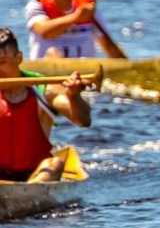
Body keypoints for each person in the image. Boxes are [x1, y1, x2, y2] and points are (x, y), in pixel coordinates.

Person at [0, 26, 93, 183]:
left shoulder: (43, 90)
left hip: (36, 175)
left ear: (19, 58)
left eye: (2, 62)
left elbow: (83, 121)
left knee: (55, 164)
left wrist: (74, 96)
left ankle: (25, 193)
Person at [25, 0, 126, 60]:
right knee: (53, 53)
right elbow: (44, 31)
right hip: (48, 72)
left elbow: (107, 46)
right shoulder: (37, 5)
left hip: (83, 71)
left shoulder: (87, 6)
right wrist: (75, 18)